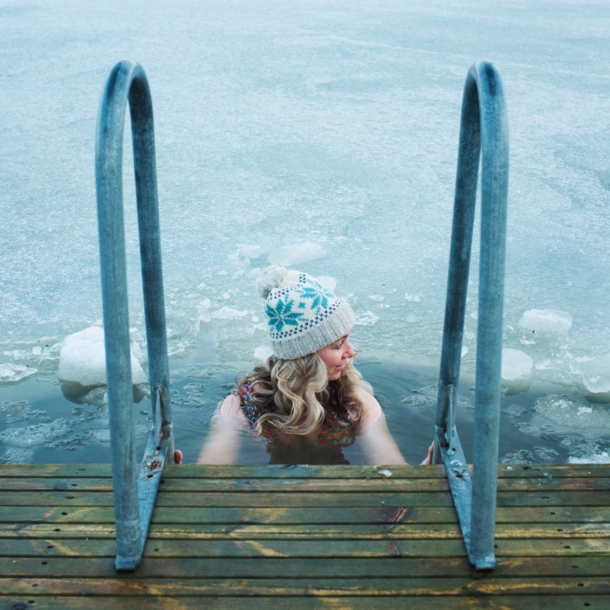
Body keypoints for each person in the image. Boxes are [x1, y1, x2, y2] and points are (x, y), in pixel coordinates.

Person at [177, 266, 433, 465]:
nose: (351, 352)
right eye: (337, 345)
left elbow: (389, 465)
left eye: (347, 340)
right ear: (304, 357)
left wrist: (425, 472)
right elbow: (213, 469)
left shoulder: (354, 402)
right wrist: (180, 482)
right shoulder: (246, 405)